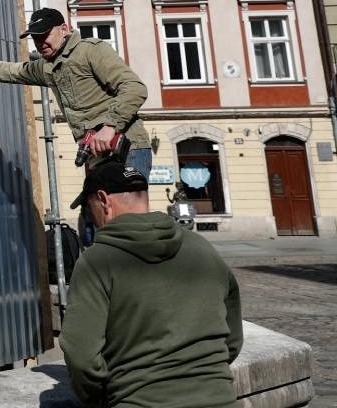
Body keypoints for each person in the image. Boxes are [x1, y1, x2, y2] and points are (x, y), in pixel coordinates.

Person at [0, 7, 151, 242]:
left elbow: (135, 88)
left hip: (128, 149)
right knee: (96, 226)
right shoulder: (46, 67)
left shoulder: (91, 51)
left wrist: (110, 126)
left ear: (64, 29)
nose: (40, 42)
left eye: (44, 35)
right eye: (35, 37)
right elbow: (9, 71)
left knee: (129, 225)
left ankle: (148, 273)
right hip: (99, 157)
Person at [60, 161, 243, 407]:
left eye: (88, 207)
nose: (89, 217)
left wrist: (100, 398)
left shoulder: (97, 262)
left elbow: (81, 356)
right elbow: (232, 338)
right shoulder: (201, 248)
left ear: (103, 200)